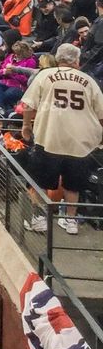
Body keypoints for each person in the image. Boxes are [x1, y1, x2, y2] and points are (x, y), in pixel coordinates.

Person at [21, 42, 103, 235]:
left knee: (40, 182)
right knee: (73, 186)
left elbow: (28, 105)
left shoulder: (44, 75)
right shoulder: (88, 80)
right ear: (77, 60)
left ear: (58, 58)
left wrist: (26, 125)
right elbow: (101, 114)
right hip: (80, 142)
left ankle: (40, 219)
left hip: (49, 138)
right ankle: (71, 220)